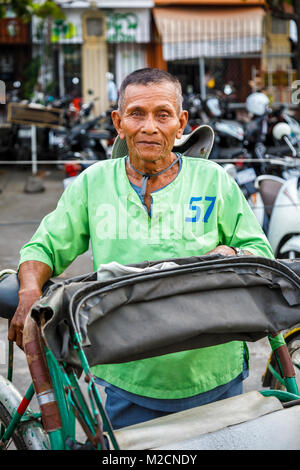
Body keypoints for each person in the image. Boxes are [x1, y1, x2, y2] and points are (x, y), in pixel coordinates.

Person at [9, 68, 274, 430]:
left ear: (181, 123)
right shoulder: (93, 184)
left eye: (162, 115)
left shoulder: (214, 181)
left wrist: (229, 256)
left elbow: (260, 255)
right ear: (119, 122)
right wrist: (28, 292)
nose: (149, 126)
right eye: (137, 114)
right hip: (126, 378)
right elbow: (44, 247)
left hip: (213, 375)